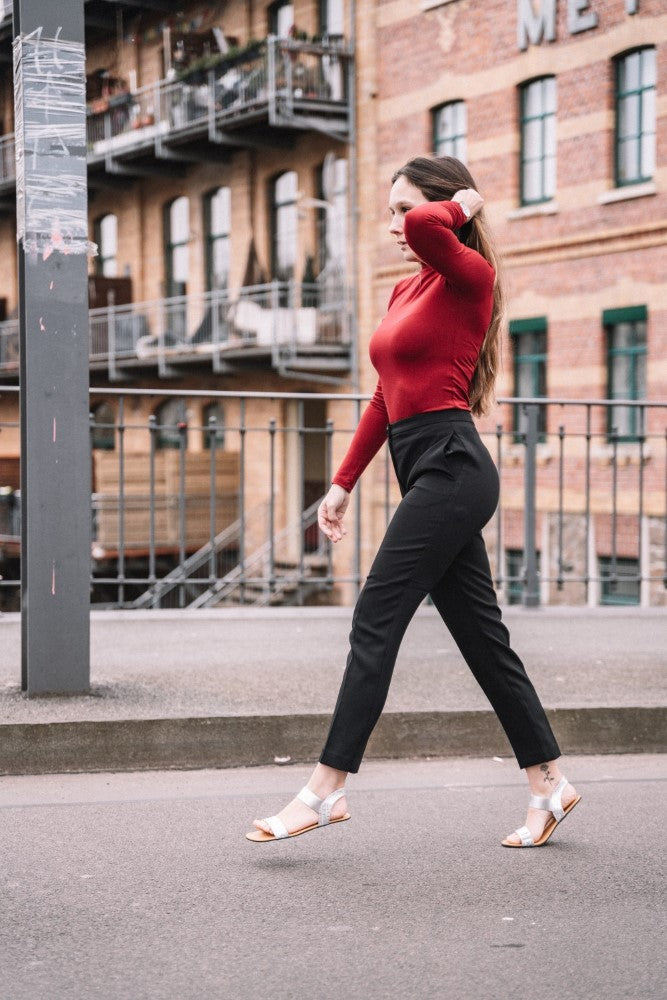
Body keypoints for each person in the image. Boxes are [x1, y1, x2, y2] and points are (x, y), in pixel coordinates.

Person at [246, 155, 580, 848]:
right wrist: (340, 483)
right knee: (483, 641)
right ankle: (548, 785)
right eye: (390, 211)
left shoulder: (469, 277)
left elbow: (434, 225)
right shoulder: (406, 294)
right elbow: (382, 398)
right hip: (422, 465)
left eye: (403, 209)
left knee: (374, 613)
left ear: (443, 209)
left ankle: (324, 789)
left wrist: (459, 205)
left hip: (453, 469)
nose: (395, 225)